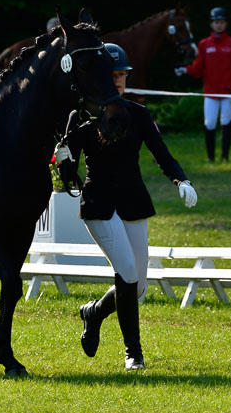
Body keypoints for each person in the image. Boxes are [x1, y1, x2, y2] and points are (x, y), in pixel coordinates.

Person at [54, 43, 197, 371]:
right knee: (128, 274)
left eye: (122, 75)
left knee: (140, 287)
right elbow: (67, 169)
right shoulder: (81, 115)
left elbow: (161, 153)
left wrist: (181, 180)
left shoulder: (138, 114)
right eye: (112, 75)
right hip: (98, 205)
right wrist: (63, 162)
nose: (118, 81)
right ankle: (134, 353)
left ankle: (93, 312)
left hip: (133, 201)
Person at [174, 7, 231, 162]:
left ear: (225, 24)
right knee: (210, 123)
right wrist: (185, 70)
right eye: (216, 22)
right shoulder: (204, 44)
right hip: (210, 92)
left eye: (221, 22)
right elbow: (198, 68)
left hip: (228, 92)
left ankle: (225, 157)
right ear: (211, 24)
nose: (219, 25)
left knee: (226, 123)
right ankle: (211, 157)